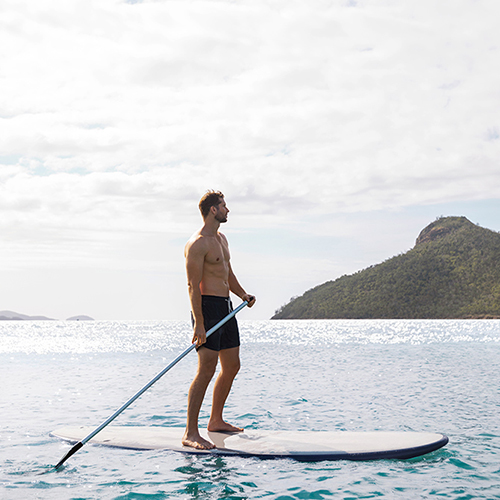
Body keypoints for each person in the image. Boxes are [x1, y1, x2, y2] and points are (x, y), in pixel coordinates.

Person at [182, 190, 256, 450]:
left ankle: (215, 420)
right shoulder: (198, 243)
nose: (228, 210)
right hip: (207, 308)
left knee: (232, 365)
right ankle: (191, 432)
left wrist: (242, 294)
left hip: (226, 306)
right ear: (213, 210)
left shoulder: (222, 240)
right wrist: (199, 323)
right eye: (224, 205)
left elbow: (227, 272)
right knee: (206, 368)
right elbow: (193, 286)